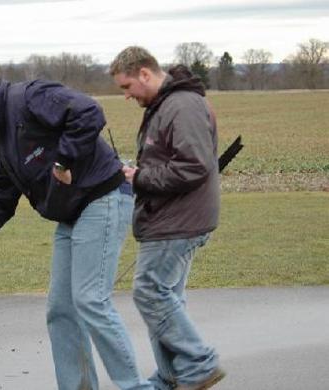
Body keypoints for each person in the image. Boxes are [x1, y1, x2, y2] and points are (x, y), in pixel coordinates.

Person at [0, 69, 152, 390]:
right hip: (72, 213)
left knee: (91, 300)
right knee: (61, 309)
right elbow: (1, 194)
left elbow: (88, 111)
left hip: (102, 197)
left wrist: (63, 162)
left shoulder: (29, 97)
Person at [109, 47, 226, 390]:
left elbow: (194, 166)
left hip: (178, 219)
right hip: (171, 216)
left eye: (127, 86)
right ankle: (172, 377)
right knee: (164, 298)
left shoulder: (182, 105)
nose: (127, 96)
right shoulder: (167, 105)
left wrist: (139, 178)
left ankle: (199, 364)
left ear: (145, 73)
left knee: (150, 291)